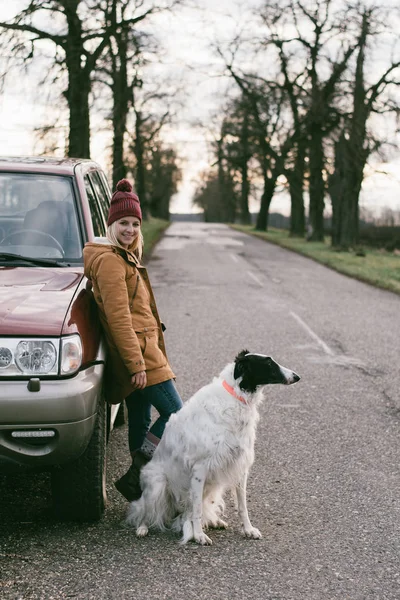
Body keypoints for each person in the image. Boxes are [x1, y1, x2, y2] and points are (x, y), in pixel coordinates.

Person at [83, 179, 183, 501]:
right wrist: (136, 363)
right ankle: (139, 473)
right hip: (139, 354)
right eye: (123, 223)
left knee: (140, 420)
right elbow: (119, 319)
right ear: (111, 224)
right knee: (176, 416)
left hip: (142, 351)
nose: (130, 229)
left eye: (135, 223)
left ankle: (140, 491)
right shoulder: (111, 261)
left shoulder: (124, 256)